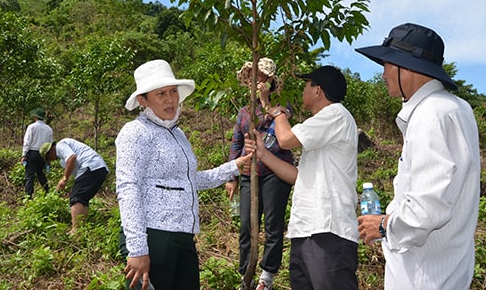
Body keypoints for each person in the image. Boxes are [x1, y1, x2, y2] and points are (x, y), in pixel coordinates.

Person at [355, 23, 481, 290]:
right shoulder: (458, 108)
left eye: (387, 65)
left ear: (407, 68)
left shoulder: (430, 115)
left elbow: (426, 209)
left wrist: (383, 225)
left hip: (422, 276)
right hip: (449, 268)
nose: (383, 74)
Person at [115, 59, 252, 290]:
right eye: (160, 94)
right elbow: (128, 188)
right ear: (143, 100)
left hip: (183, 235)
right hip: (153, 235)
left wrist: (233, 167)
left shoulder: (178, 135)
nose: (170, 99)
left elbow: (189, 181)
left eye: (173, 91)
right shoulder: (135, 132)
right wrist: (138, 249)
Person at [247, 65, 359, 290]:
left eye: (306, 85)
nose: (303, 91)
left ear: (318, 90)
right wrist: (262, 153)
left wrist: (276, 112)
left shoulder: (335, 114)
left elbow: (286, 139)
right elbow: (298, 176)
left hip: (328, 230)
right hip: (307, 230)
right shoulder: (323, 131)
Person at [225, 58, 293, 290]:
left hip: (275, 170)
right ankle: (247, 274)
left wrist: (265, 103)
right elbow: (236, 143)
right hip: (248, 172)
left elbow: (281, 129)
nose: (256, 83)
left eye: (261, 79)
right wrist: (231, 175)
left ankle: (267, 277)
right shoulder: (244, 112)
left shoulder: (282, 106)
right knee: (246, 225)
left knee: (273, 225)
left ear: (270, 82)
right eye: (252, 78)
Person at [39, 138, 109, 234]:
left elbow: (72, 158)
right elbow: (76, 172)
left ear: (50, 151)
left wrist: (64, 179)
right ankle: (81, 229)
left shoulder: (61, 145)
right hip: (98, 168)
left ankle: (75, 230)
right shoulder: (62, 161)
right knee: (82, 198)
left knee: (76, 197)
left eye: (48, 158)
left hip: (90, 166)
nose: (51, 160)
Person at [21, 107, 53, 197]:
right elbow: (50, 144)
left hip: (32, 153)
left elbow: (27, 142)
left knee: (29, 175)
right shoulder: (49, 129)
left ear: (35, 117)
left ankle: (28, 195)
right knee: (40, 173)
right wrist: (48, 158)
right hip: (43, 155)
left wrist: (24, 155)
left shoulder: (32, 127)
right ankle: (47, 191)